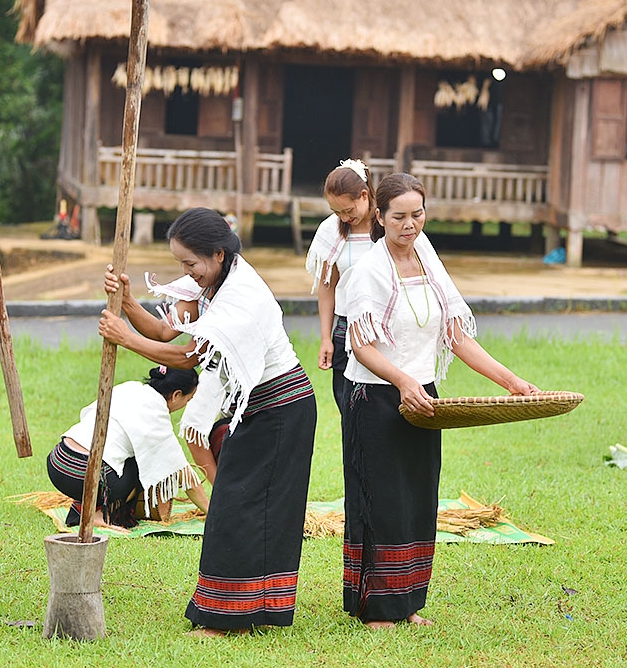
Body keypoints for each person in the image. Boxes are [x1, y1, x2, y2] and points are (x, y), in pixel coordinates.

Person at [99, 208, 317, 635]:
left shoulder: (241, 295)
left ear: (217, 254)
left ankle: (226, 617)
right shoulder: (212, 280)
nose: (186, 272)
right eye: (180, 263)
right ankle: (252, 608)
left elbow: (189, 357)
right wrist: (126, 304)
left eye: (190, 263)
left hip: (284, 408)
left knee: (239, 506)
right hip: (258, 408)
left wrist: (126, 339)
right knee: (244, 506)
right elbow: (166, 332)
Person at [341, 173, 537, 629]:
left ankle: (407, 603)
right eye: (400, 216)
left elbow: (456, 336)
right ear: (379, 215)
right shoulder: (367, 271)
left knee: (418, 498)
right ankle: (376, 608)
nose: (411, 225)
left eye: (418, 214)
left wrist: (510, 380)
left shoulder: (429, 261)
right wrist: (403, 381)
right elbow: (361, 346)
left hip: (425, 399)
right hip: (376, 397)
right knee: (381, 500)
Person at [48, 365, 210, 530]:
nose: (185, 405)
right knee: (144, 464)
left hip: (57, 461)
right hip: (84, 476)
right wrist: (210, 511)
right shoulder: (156, 413)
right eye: (188, 400)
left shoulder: (129, 387)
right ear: (176, 395)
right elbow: (182, 472)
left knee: (129, 457)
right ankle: (100, 515)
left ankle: (85, 506)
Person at [305, 159, 377, 414]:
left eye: (348, 210)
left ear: (365, 195)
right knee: (348, 409)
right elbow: (327, 287)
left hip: (384, 327)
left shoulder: (387, 227)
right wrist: (326, 338)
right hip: (346, 327)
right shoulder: (331, 230)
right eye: (337, 212)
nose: (344, 218)